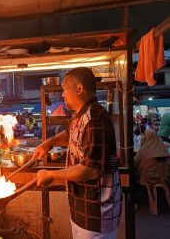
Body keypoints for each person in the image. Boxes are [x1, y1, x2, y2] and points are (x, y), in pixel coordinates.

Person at [33, 67, 122, 238]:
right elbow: (69, 134)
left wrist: (52, 175)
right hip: (82, 208)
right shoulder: (80, 115)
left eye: (65, 88)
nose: (62, 94)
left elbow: (92, 169)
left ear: (79, 89)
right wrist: (49, 143)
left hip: (96, 212)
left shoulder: (95, 118)